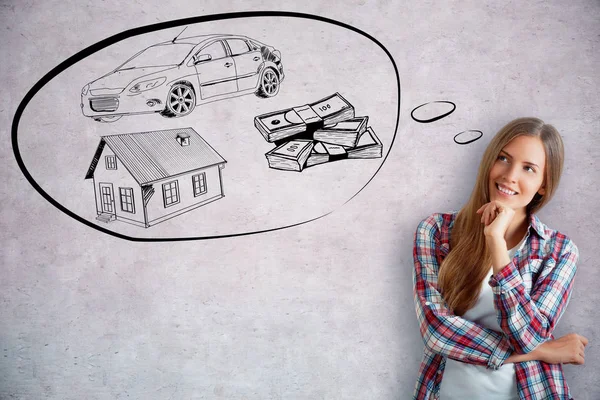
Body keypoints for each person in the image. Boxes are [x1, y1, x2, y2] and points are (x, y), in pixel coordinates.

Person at [412, 117, 588, 400]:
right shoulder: (436, 231)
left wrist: (495, 242)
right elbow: (436, 331)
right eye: (504, 158)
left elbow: (526, 337)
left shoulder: (559, 251)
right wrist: (543, 350)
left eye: (528, 168)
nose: (510, 175)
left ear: (543, 184)